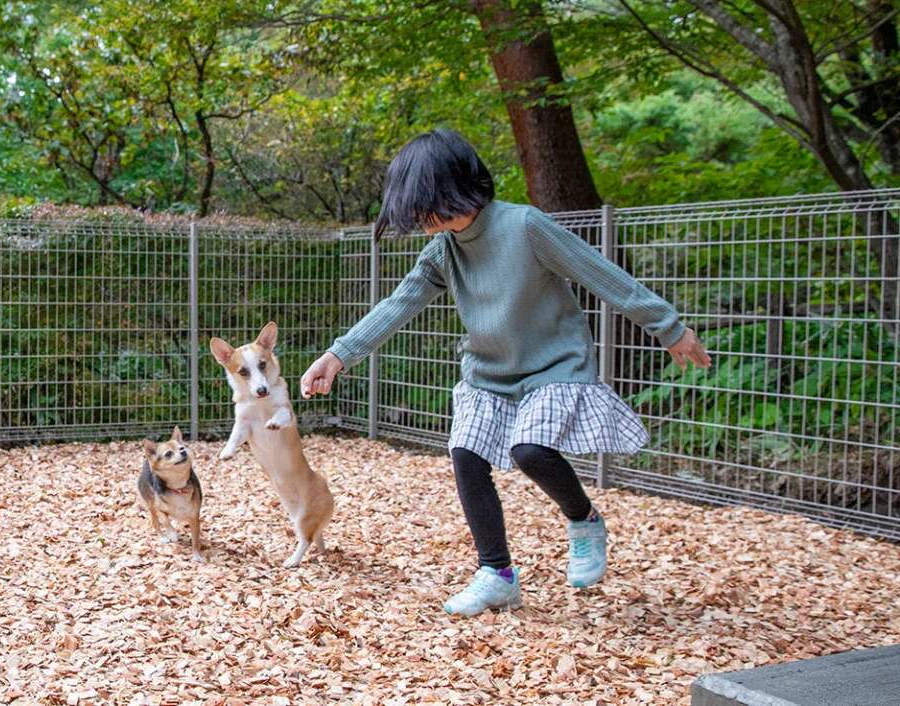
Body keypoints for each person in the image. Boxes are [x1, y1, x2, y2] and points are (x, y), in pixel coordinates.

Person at [300, 129, 711, 617]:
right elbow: (398, 305)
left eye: (420, 205)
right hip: (488, 373)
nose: (416, 218)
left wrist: (667, 326)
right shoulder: (443, 250)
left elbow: (598, 271)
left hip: (554, 365)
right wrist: (338, 354)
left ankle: (583, 519)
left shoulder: (524, 227)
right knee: (467, 454)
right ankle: (496, 575)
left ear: (448, 189)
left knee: (529, 449)